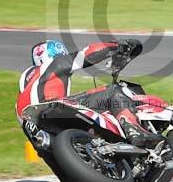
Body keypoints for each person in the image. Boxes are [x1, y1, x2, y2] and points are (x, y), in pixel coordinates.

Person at [16, 38, 163, 148]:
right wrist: (118, 46)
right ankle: (135, 131)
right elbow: (87, 54)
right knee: (112, 91)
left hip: (38, 128)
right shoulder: (54, 64)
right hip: (53, 108)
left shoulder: (24, 88)